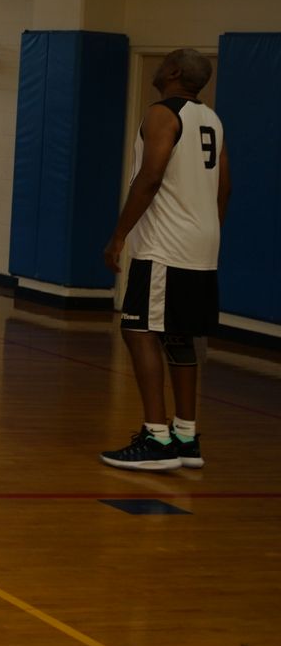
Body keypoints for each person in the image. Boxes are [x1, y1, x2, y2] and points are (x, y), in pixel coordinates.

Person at [100, 48, 230, 471]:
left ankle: (157, 438)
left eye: (162, 63)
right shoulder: (212, 119)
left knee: (138, 331)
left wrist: (119, 235)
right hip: (202, 243)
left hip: (165, 246)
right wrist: (206, 230)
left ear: (173, 72)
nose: (157, 69)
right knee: (179, 335)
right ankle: (186, 436)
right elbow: (224, 187)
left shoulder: (161, 113)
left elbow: (150, 177)